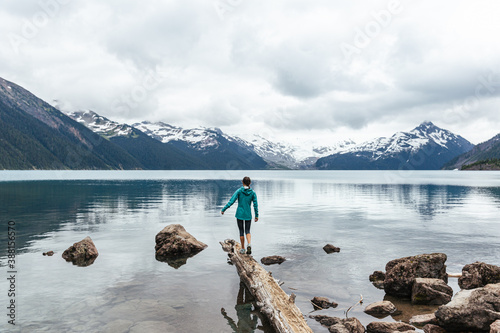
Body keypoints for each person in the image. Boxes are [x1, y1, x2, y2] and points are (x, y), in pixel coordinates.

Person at [221, 176, 259, 254]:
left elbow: (231, 201)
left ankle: (243, 248)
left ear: (242, 182)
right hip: (248, 214)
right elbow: (255, 205)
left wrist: (224, 209)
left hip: (239, 214)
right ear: (250, 183)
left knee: (241, 231)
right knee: (247, 231)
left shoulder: (239, 191)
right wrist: (256, 215)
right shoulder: (253, 193)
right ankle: (249, 243)